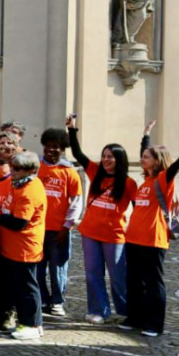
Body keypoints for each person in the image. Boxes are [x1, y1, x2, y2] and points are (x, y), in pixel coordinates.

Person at [66, 116, 138, 324]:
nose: (106, 160)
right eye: (104, 156)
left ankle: (127, 311)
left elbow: (138, 209)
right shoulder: (95, 172)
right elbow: (78, 154)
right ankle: (99, 310)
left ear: (120, 159)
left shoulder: (128, 183)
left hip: (114, 236)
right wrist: (72, 129)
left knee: (118, 277)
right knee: (92, 274)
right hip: (90, 233)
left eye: (111, 157)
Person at [122, 140, 179, 337]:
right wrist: (145, 136)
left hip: (153, 240)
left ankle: (154, 324)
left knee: (153, 282)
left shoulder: (163, 179)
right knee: (134, 282)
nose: (142, 159)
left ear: (157, 161)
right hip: (134, 239)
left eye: (146, 157)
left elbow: (173, 170)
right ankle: (135, 318)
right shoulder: (145, 182)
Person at [0, 151, 47, 339]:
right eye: (12, 167)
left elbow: (19, 222)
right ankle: (27, 322)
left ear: (30, 170)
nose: (12, 171)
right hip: (13, 248)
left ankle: (32, 324)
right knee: (20, 287)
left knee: (27, 287)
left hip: (25, 248)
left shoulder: (30, 190)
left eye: (17, 168)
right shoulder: (19, 184)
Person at [36, 128, 83, 317]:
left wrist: (67, 226)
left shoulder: (69, 172)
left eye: (55, 147)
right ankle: (42, 298)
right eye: (48, 146)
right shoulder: (36, 167)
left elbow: (76, 202)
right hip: (37, 229)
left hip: (59, 230)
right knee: (38, 268)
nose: (51, 150)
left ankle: (57, 301)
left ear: (62, 149)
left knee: (58, 268)